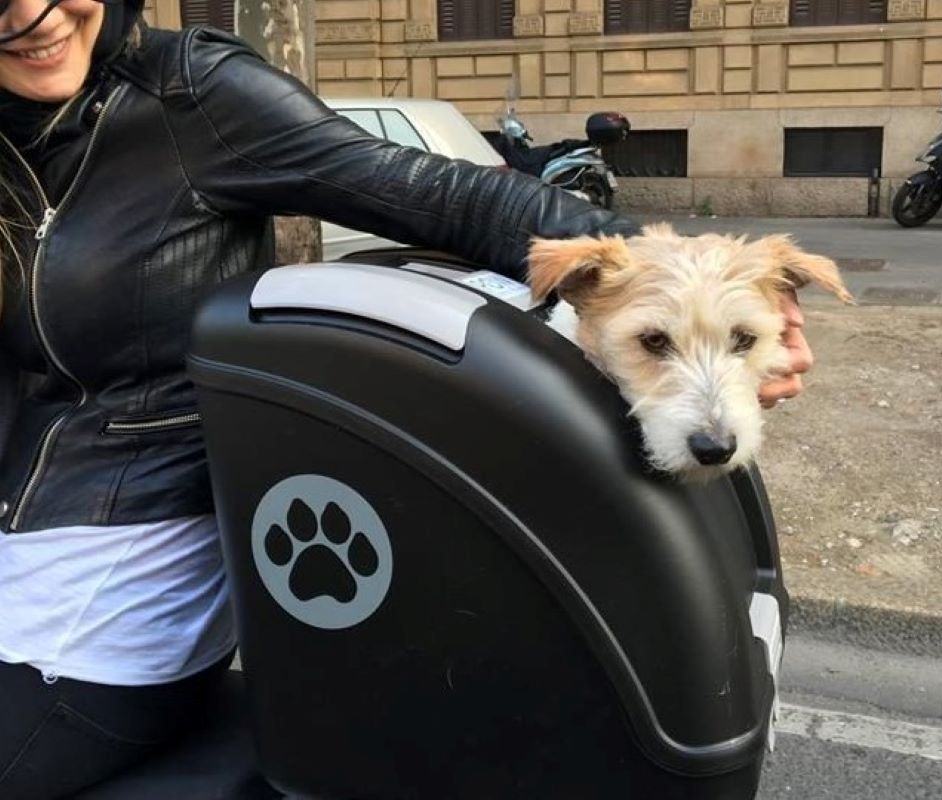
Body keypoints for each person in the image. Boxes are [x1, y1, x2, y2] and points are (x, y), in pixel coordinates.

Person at [0, 0, 813, 795]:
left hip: (107, 574)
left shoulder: (189, 95)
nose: (31, 13)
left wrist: (712, 300)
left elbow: (453, 198)